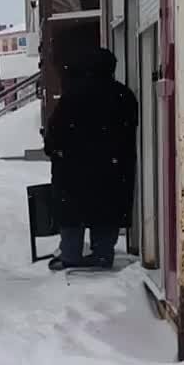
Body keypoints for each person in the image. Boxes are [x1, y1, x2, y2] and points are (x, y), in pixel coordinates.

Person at [43, 47, 138, 270]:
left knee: (71, 214)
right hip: (113, 170)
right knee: (107, 212)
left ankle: (70, 255)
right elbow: (130, 131)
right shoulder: (124, 95)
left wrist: (54, 150)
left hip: (74, 170)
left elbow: (55, 133)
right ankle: (103, 255)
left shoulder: (72, 96)